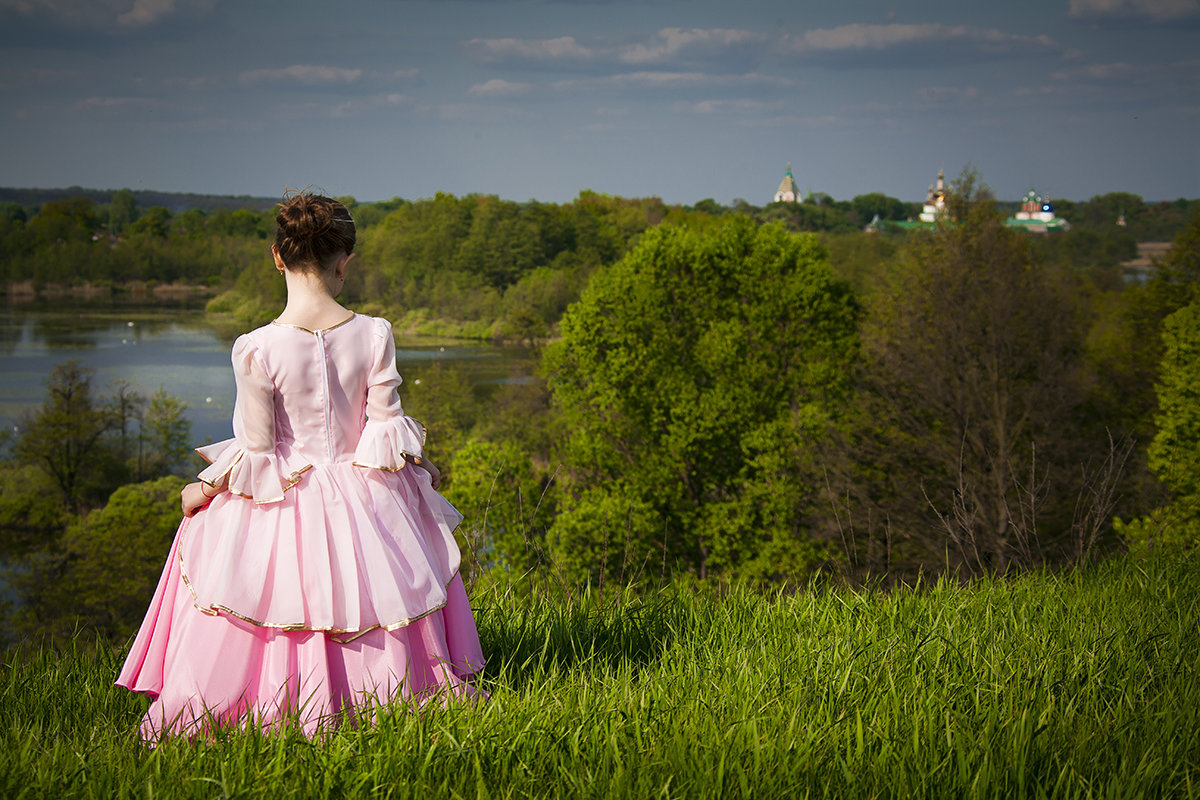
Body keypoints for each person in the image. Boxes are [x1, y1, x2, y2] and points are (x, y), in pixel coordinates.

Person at [117, 191, 485, 738]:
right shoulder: (375, 332)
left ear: (277, 256)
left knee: (216, 543)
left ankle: (268, 699)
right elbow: (385, 426)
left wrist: (204, 485)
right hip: (366, 491)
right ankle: (384, 693)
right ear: (345, 261)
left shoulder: (256, 347)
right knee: (379, 590)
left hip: (289, 487)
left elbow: (257, 447)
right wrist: (423, 467)